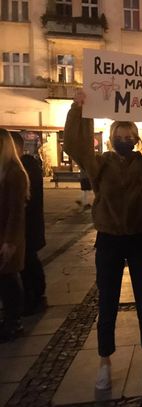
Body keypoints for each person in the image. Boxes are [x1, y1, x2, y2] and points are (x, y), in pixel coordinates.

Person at [63, 91, 142, 390]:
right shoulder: (99, 164)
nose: (125, 138)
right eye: (120, 134)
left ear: (137, 138)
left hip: (140, 239)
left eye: (130, 134)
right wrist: (78, 109)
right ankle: (104, 362)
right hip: (110, 240)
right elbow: (75, 145)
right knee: (108, 302)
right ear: (112, 137)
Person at [11, 132, 47, 315]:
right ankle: (33, 296)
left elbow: (20, 204)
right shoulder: (22, 167)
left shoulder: (23, 169)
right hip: (26, 228)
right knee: (28, 262)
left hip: (25, 228)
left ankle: (32, 298)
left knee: (27, 263)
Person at [0, 129, 29, 342]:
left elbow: (16, 210)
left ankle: (14, 322)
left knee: (9, 278)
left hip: (7, 236)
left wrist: (10, 241)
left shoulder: (14, 173)